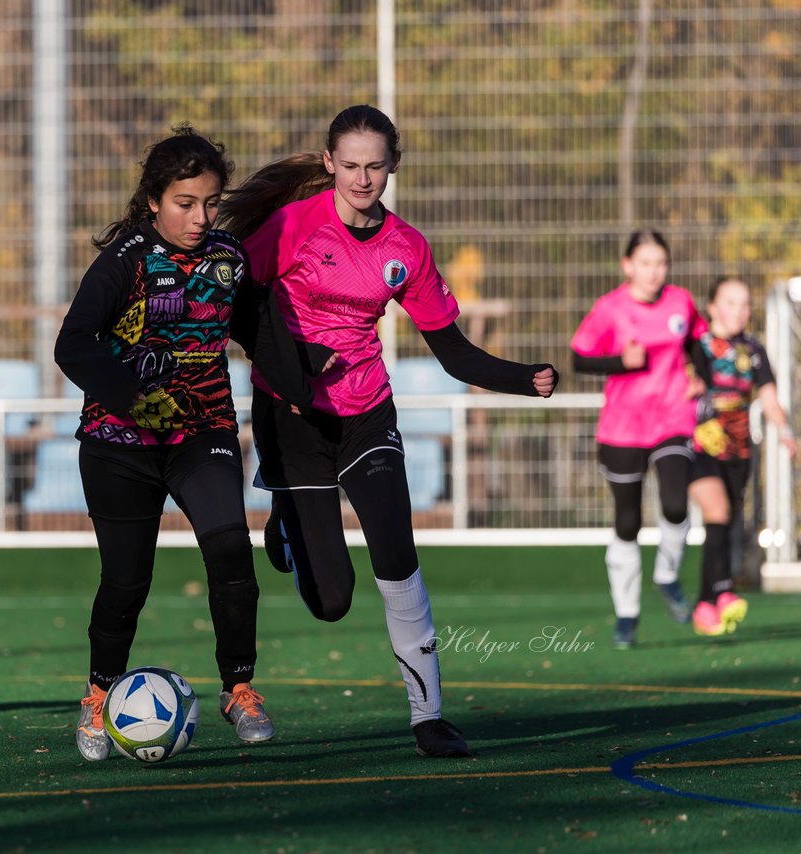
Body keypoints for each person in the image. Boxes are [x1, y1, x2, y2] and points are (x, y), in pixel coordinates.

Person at [219, 104, 558, 759]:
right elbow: (236, 312)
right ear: (329, 164)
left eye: (375, 165)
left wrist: (524, 378)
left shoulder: (407, 248)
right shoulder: (290, 228)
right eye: (349, 165)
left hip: (368, 414)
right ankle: (288, 518)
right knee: (332, 601)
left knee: (396, 558)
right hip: (293, 420)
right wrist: (293, 367)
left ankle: (428, 716)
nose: (362, 178)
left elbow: (453, 353)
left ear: (393, 166)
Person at [55, 125, 315, 762]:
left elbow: (259, 335)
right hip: (119, 443)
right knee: (126, 581)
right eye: (184, 204)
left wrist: (312, 376)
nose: (199, 218)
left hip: (203, 432)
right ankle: (98, 693)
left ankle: (239, 688)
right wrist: (134, 395)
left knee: (231, 552)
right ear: (153, 200)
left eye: (208, 204)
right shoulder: (124, 261)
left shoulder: (228, 260)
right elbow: (73, 345)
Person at [571, 229, 705, 649]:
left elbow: (697, 340)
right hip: (623, 427)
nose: (654, 272)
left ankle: (667, 574)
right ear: (627, 266)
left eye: (661, 263)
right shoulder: (610, 309)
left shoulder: (680, 301)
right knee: (627, 522)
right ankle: (627, 614)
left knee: (675, 500)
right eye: (645, 264)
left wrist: (699, 373)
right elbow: (579, 357)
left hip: (672, 417)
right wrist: (618, 362)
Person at [687, 276, 795, 635]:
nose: (739, 311)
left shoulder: (753, 349)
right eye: (731, 303)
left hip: (740, 447)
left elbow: (767, 396)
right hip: (701, 444)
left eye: (745, 304)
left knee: (727, 519)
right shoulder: (696, 346)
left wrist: (785, 430)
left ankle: (709, 600)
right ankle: (721, 592)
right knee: (716, 514)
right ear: (713, 307)